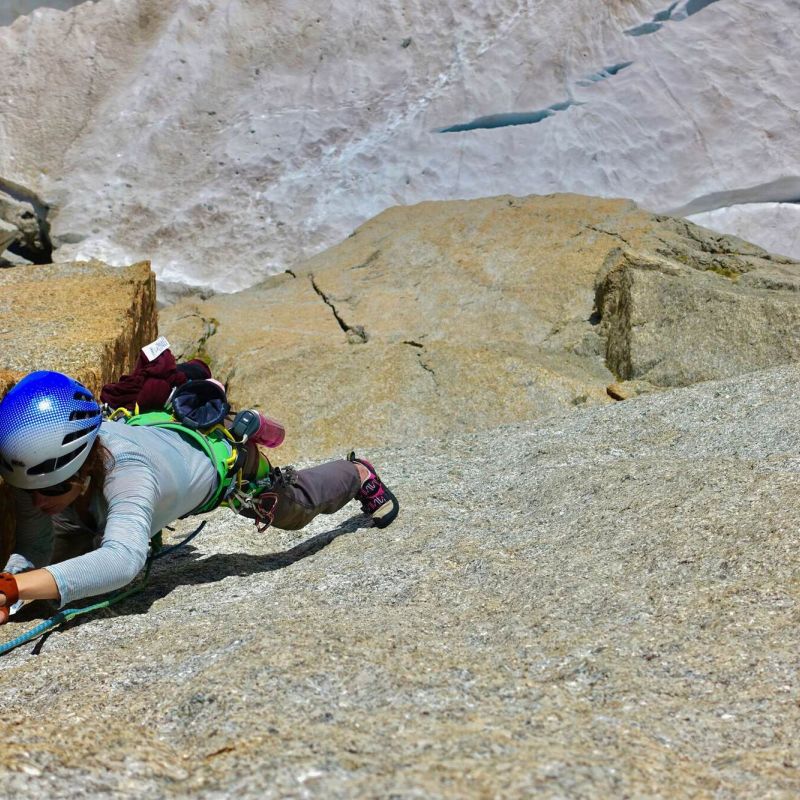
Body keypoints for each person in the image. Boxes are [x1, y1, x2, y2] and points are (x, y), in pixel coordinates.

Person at [0, 370, 399, 623]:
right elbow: (35, 546)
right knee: (63, 558)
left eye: (51, 490)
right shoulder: (37, 469)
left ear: (84, 466)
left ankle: (355, 473)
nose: (36, 503)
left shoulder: (129, 471)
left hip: (222, 468)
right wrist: (11, 587)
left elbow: (123, 561)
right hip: (157, 438)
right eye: (27, 491)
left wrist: (17, 588)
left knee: (293, 508)